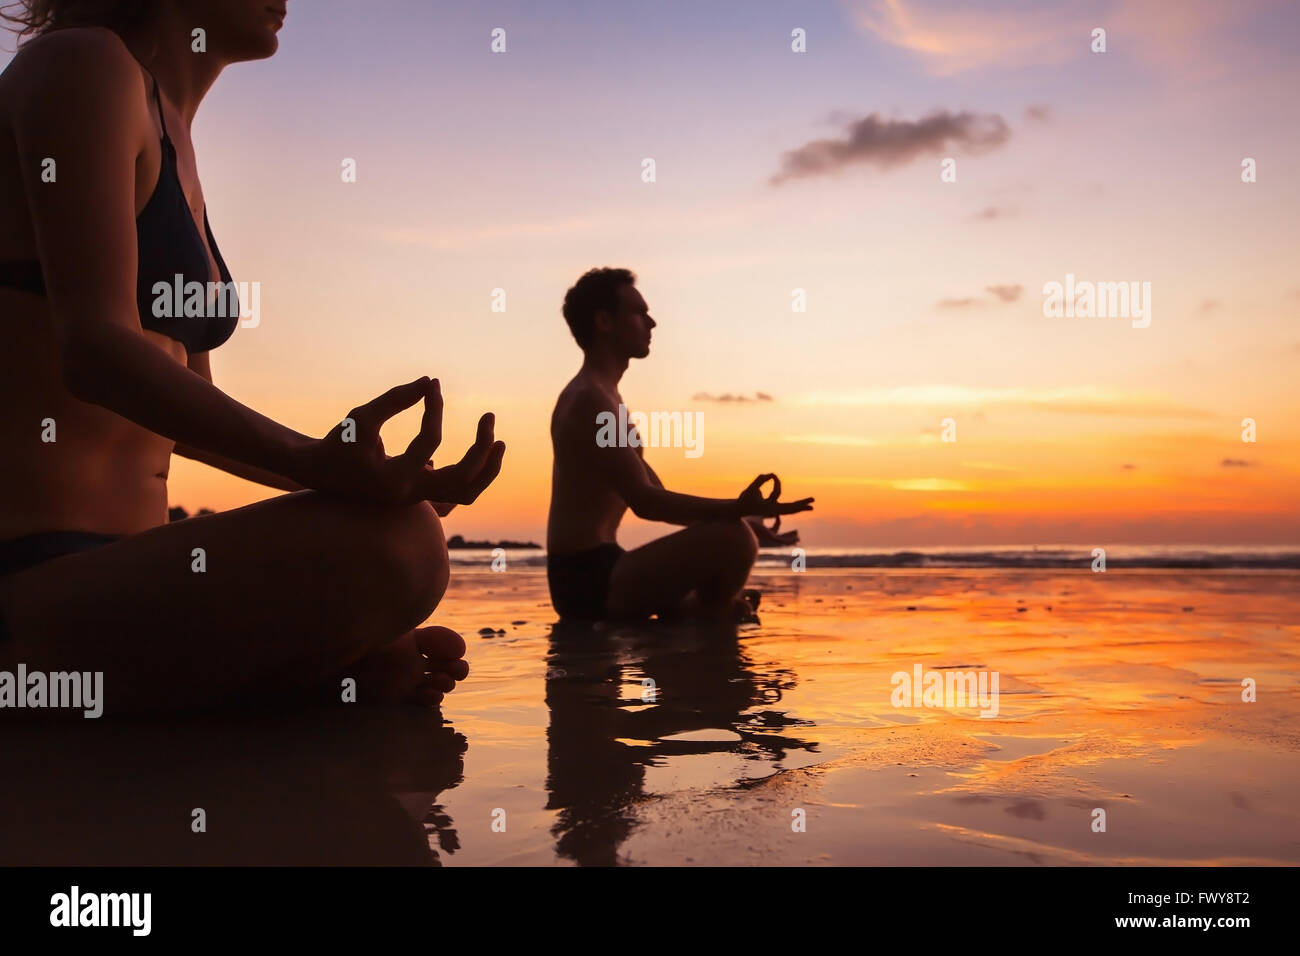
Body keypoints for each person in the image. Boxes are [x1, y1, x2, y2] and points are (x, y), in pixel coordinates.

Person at [0, 0, 504, 713]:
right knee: (398, 554)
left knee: (391, 630)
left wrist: (376, 479)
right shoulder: (83, 64)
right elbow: (95, 350)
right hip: (28, 571)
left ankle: (164, 690)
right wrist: (314, 465)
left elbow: (177, 408)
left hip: (124, 563)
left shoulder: (176, 134)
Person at [546, 267, 813, 621]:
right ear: (604, 321)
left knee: (737, 536)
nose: (651, 323)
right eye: (639, 313)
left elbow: (656, 491)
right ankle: (708, 617)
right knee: (734, 539)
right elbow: (646, 502)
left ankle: (702, 614)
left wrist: (746, 515)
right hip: (585, 581)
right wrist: (735, 512)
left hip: (605, 566)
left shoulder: (605, 397)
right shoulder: (589, 400)